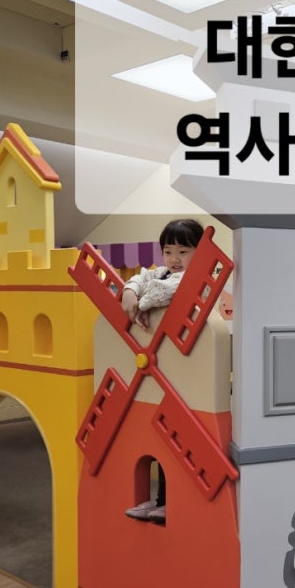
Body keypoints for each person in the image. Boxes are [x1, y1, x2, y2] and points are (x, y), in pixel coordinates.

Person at [121, 218, 204, 523]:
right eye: (168, 251)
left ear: (199, 253)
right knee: (157, 437)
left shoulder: (193, 278)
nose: (174, 258)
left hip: (188, 367)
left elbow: (161, 293)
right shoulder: (162, 273)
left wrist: (140, 303)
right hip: (163, 366)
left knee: (179, 442)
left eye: (183, 251)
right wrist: (129, 290)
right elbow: (143, 277)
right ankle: (159, 500)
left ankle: (171, 502)